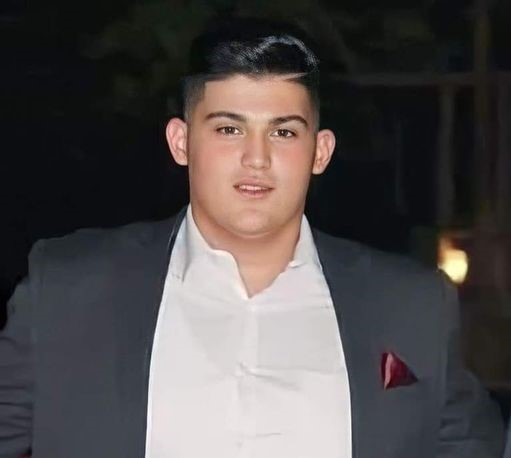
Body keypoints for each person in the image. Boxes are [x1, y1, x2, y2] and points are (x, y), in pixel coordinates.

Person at [0, 17, 504, 458]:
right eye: (229, 129)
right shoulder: (70, 290)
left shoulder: (410, 305)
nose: (257, 158)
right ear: (181, 141)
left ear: (320, 151)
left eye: (283, 132)